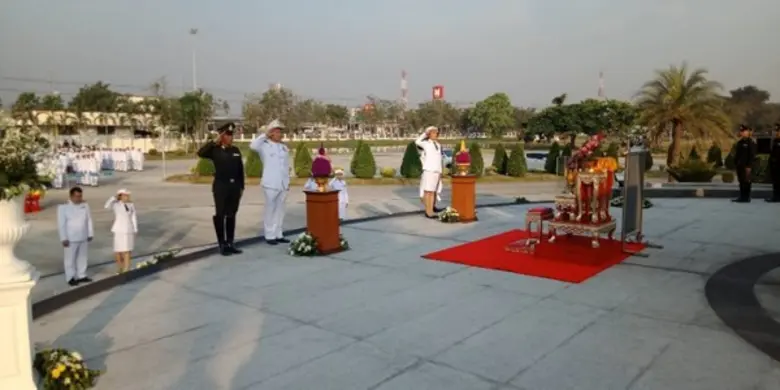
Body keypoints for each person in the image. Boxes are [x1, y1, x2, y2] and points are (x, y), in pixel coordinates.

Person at [197, 122, 245, 256]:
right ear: (222, 136)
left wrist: (241, 187)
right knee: (220, 215)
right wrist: (214, 142)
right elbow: (200, 153)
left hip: (234, 187)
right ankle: (222, 244)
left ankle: (230, 242)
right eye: (228, 135)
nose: (231, 138)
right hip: (221, 186)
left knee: (231, 214)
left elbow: (240, 170)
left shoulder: (235, 150)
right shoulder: (215, 150)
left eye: (232, 135)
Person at [250, 119, 291, 245]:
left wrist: (288, 180)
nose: (280, 134)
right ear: (271, 133)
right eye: (277, 132)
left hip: (283, 183)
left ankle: (278, 233)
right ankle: (269, 235)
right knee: (270, 209)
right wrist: (265, 135)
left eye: (280, 132)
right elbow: (252, 146)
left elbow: (285, 165)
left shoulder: (283, 147)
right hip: (270, 183)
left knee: (280, 210)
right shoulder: (264, 145)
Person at [56, 187, 94, 286]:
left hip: (83, 236)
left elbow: (89, 220)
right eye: (76, 196)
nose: (79, 198)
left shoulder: (85, 206)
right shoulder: (63, 208)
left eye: (80, 196)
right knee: (70, 259)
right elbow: (62, 224)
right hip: (70, 238)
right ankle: (70, 277)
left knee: (83, 257)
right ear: (71, 196)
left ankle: (82, 275)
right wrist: (63, 238)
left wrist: (90, 233)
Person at [105, 189, 138, 273]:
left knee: (127, 250)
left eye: (128, 195)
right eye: (125, 195)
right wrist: (113, 198)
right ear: (121, 196)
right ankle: (120, 267)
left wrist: (135, 229)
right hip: (119, 230)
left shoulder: (131, 204)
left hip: (129, 229)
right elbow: (106, 206)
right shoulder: (116, 205)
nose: (127, 197)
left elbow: (133, 217)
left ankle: (127, 268)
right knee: (118, 251)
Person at [415, 126, 443, 218]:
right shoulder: (426, 144)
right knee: (428, 192)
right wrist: (425, 133)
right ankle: (428, 212)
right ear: (429, 134)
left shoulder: (438, 145)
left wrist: (440, 171)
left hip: (436, 170)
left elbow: (439, 159)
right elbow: (417, 142)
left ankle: (431, 209)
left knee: (433, 191)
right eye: (433, 133)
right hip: (429, 170)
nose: (435, 134)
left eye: (436, 133)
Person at [733, 124, 757, 203]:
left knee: (746, 182)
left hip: (746, 166)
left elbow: (752, 155)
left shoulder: (750, 142)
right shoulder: (740, 142)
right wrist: (736, 163)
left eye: (744, 131)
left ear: (748, 132)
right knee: (741, 181)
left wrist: (749, 166)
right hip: (740, 165)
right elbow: (737, 154)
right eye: (741, 131)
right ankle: (742, 196)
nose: (742, 133)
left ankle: (746, 197)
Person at [768, 123, 780, 202]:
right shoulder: (775, 141)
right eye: (776, 131)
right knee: (775, 182)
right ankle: (775, 196)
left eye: (778, 131)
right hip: (775, 165)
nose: (777, 133)